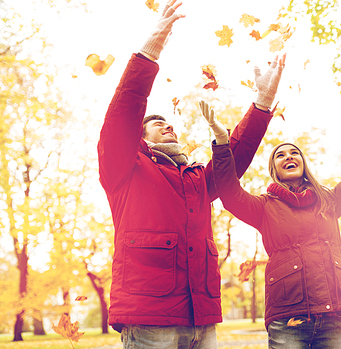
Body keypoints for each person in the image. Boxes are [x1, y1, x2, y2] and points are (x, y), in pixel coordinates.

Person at [97, 1, 286, 347]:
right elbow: (122, 115)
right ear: (139, 138)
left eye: (168, 122)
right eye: (156, 123)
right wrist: (148, 53)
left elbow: (232, 163)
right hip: (150, 319)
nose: (166, 124)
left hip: (202, 318)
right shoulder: (125, 168)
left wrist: (262, 102)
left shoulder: (196, 178)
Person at [209, 80, 341, 348]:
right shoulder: (264, 207)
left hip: (335, 315)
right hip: (287, 317)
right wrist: (222, 145)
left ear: (303, 164)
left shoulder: (329, 200)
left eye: (294, 153)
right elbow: (228, 190)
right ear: (275, 170)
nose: (288, 156)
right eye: (280, 155)